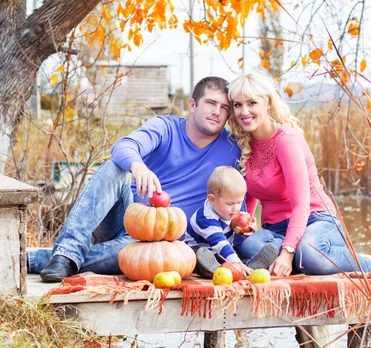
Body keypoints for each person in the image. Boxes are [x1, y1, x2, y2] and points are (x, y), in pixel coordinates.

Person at [29, 77, 241, 282]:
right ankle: (68, 250)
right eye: (211, 103)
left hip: (163, 243)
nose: (217, 112)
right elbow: (123, 146)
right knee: (116, 166)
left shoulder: (232, 148)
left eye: (224, 108)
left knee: (136, 258)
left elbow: (243, 191)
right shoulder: (165, 128)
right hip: (127, 217)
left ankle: (53, 260)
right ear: (193, 104)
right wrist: (137, 165)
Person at [228, 71, 371, 277]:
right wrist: (244, 225)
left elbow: (301, 204)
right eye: (238, 105)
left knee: (307, 254)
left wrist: (287, 251)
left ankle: (370, 264)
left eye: (252, 103)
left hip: (316, 220)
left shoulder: (286, 141)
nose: (244, 111)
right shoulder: (246, 144)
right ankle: (304, 261)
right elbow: (250, 195)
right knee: (249, 245)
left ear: (268, 103)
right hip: (276, 230)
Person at [186, 166, 276, 278]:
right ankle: (217, 270)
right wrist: (236, 263)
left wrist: (245, 234)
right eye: (230, 204)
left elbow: (233, 243)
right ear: (212, 200)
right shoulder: (206, 218)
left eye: (239, 202)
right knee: (199, 257)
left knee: (235, 252)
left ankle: (250, 265)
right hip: (203, 250)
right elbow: (220, 244)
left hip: (223, 251)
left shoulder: (231, 212)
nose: (236, 208)